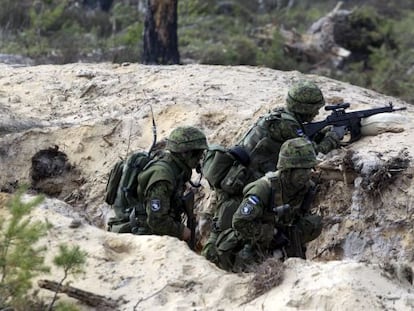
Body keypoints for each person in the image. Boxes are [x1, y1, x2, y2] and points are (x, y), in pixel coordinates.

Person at [201, 79, 340, 263]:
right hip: (245, 184)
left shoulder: (281, 117)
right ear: (304, 108)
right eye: (314, 108)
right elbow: (310, 152)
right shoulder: (288, 125)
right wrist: (333, 138)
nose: (316, 113)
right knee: (225, 237)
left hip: (244, 180)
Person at [214, 137, 323, 272]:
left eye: (309, 169)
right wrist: (271, 233)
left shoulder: (305, 188)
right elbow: (240, 222)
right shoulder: (263, 189)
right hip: (254, 244)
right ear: (288, 170)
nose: (307, 175)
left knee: (314, 222)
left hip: (283, 239)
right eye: (303, 170)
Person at [133, 126, 208, 242]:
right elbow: (156, 221)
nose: (200, 158)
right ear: (185, 153)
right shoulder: (163, 178)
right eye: (198, 153)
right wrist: (181, 231)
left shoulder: (176, 169)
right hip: (142, 237)